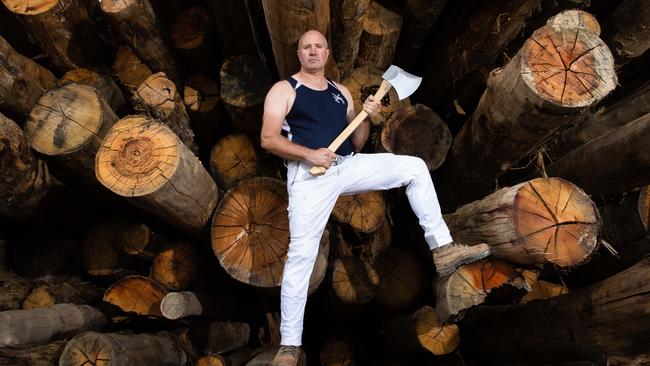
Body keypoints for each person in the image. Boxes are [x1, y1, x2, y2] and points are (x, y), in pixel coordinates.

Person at [261, 30, 490, 366]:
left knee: (413, 167)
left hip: (346, 165)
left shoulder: (340, 93)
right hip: (309, 175)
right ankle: (290, 346)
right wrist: (310, 155)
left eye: (318, 47)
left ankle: (442, 248)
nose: (312, 52)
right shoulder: (284, 90)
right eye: (306, 47)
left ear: (327, 53)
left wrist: (366, 116)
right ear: (299, 54)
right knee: (301, 256)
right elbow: (268, 138)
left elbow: (356, 142)